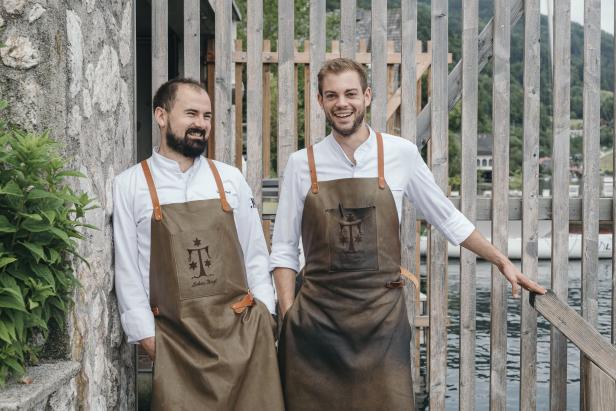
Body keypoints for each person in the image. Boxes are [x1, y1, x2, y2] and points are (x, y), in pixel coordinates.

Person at [271, 58, 546, 410]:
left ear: (367, 96)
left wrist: (501, 260)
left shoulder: (400, 154)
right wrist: (290, 313)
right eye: (332, 95)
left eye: (351, 93)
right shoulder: (300, 165)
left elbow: (447, 218)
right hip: (317, 320)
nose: (342, 103)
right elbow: (283, 248)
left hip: (381, 319)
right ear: (321, 101)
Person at [113, 78, 284, 410]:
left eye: (206, 116)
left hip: (243, 337)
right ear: (161, 116)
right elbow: (128, 270)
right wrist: (148, 337)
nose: (201, 124)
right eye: (191, 113)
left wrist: (265, 315)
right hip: (176, 343)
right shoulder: (129, 186)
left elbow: (255, 253)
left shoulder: (231, 180)